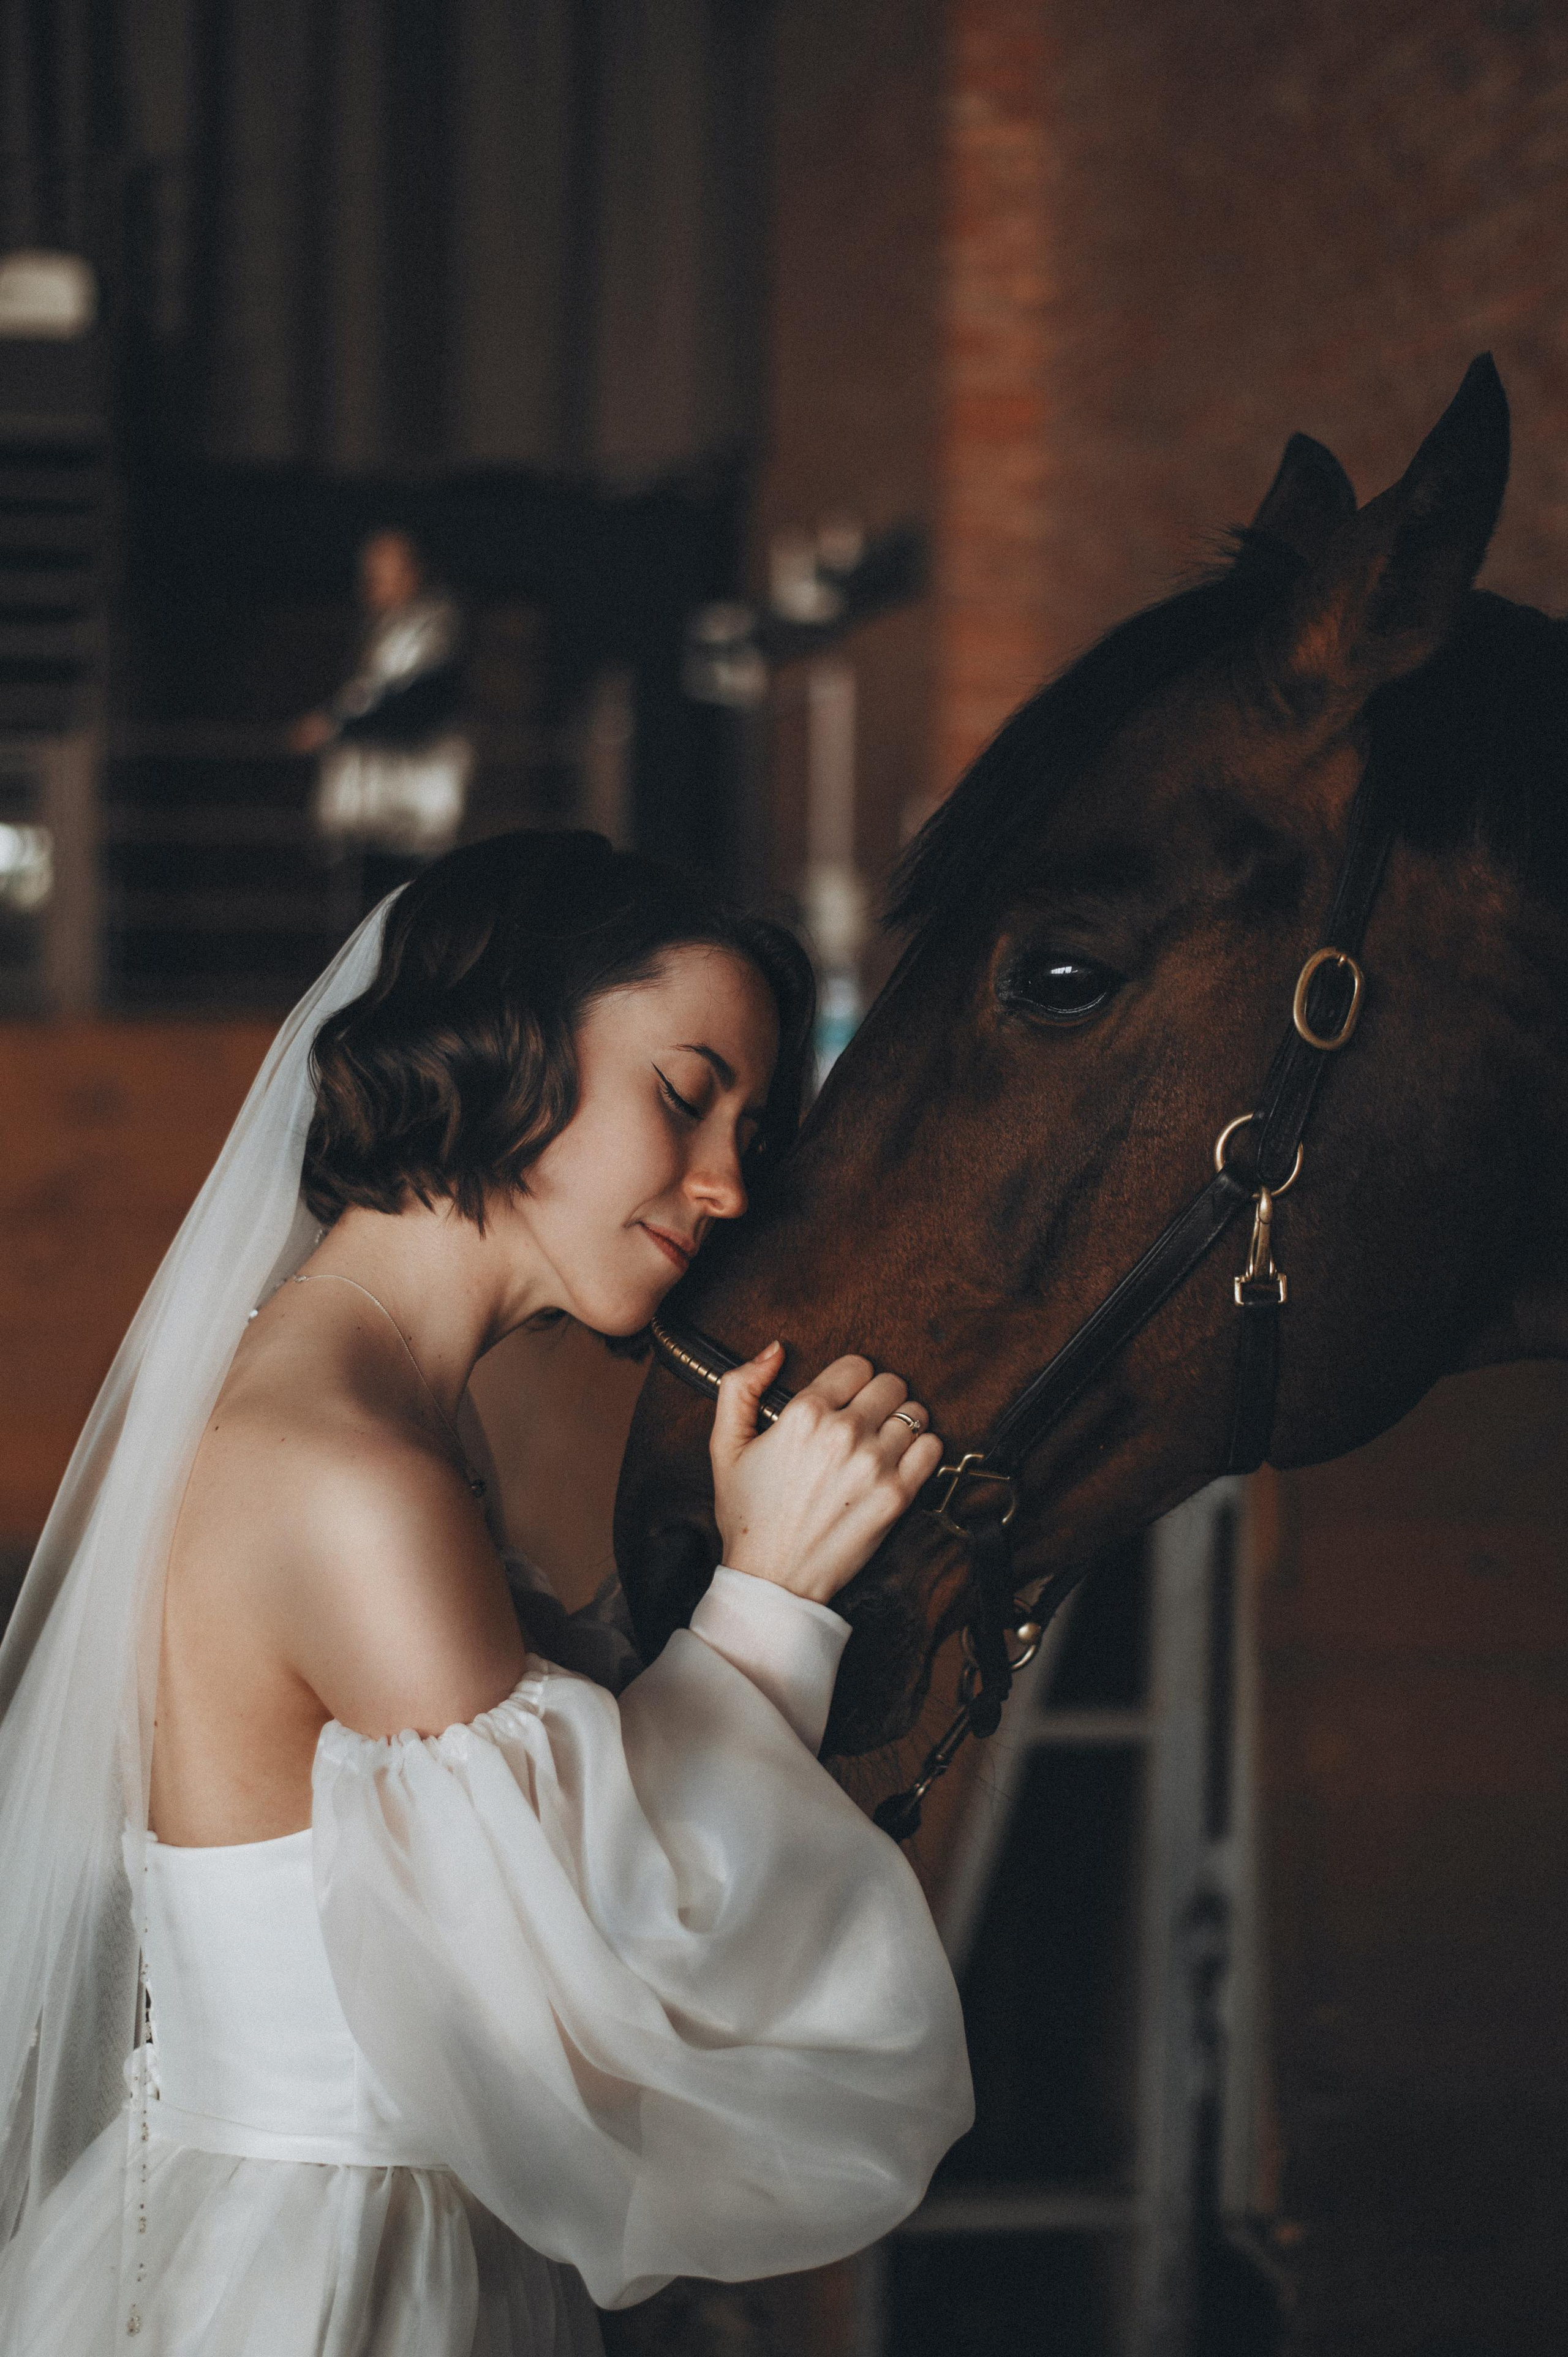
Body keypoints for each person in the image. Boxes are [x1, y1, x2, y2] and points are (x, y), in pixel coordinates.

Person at [0, 830, 973, 2356]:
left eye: (751, 1130)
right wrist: (770, 1592)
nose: (724, 1182)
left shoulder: (378, 1410)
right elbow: (593, 1986)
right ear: (507, 1041)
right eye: (682, 1092)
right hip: (332, 2281)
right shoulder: (349, 1474)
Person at [293, 527, 474, 883]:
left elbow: (414, 706)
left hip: (409, 811)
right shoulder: (385, 631)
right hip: (375, 814)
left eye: (383, 574)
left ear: (413, 572)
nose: (371, 585)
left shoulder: (434, 630)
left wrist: (336, 726)